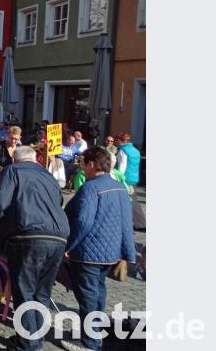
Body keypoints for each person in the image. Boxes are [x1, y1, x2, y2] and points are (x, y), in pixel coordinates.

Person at [0, 146, 70, 351]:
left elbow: (0, 204)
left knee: (24, 291)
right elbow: (59, 201)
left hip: (28, 236)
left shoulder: (12, 171)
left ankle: (28, 344)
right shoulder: (48, 176)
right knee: (42, 292)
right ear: (35, 159)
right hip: (58, 237)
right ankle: (35, 338)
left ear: (15, 160)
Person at [62, 147, 136, 351]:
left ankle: (90, 341)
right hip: (110, 252)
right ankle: (95, 332)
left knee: (87, 296)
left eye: (83, 164)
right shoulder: (120, 187)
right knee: (98, 292)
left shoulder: (90, 188)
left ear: (92, 164)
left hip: (88, 252)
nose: (82, 169)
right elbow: (126, 221)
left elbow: (83, 222)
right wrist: (127, 250)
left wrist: (69, 245)